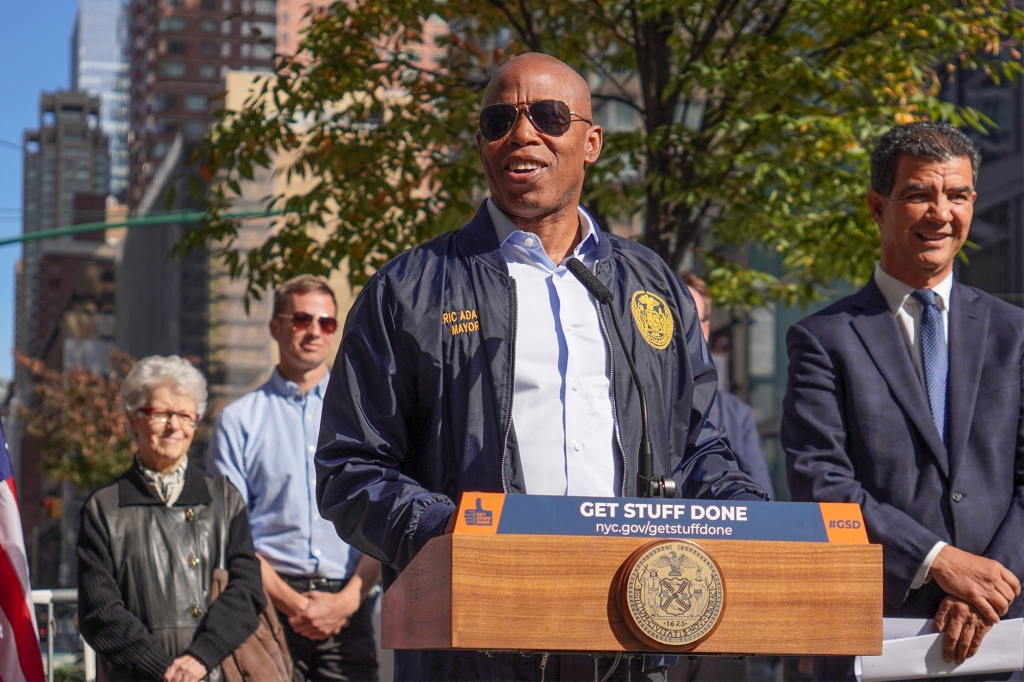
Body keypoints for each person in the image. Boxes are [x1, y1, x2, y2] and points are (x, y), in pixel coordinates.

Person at [314, 52, 766, 682]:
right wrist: (453, 532)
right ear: (482, 145)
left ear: (592, 141)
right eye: (500, 120)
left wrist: (749, 526)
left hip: (634, 643)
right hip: (477, 648)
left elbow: (696, 445)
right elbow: (348, 469)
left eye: (549, 116)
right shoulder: (408, 290)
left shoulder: (649, 284)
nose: (523, 134)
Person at [782, 121, 1024, 680]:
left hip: (1003, 637)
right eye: (919, 194)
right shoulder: (824, 339)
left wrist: (986, 587)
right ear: (876, 206)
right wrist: (939, 562)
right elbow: (822, 483)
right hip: (877, 638)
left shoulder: (1013, 334)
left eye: (957, 195)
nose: (941, 213)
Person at [208, 274, 381, 682]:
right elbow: (232, 535)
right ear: (276, 327)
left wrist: (347, 600)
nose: (315, 331)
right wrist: (296, 605)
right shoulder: (238, 421)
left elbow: (382, 514)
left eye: (326, 323)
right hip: (265, 609)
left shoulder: (367, 416)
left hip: (349, 609)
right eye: (302, 319)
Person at [78, 355, 265, 682]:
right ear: (132, 419)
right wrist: (165, 670)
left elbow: (247, 590)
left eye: (185, 415)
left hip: (214, 673)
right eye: (161, 413)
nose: (174, 426)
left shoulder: (224, 499)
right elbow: (99, 611)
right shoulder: (103, 508)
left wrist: (200, 656)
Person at [682, 273, 775, 498]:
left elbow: (762, 497)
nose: (681, 329)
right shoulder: (631, 403)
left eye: (691, 320)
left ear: (706, 328)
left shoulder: (736, 414)